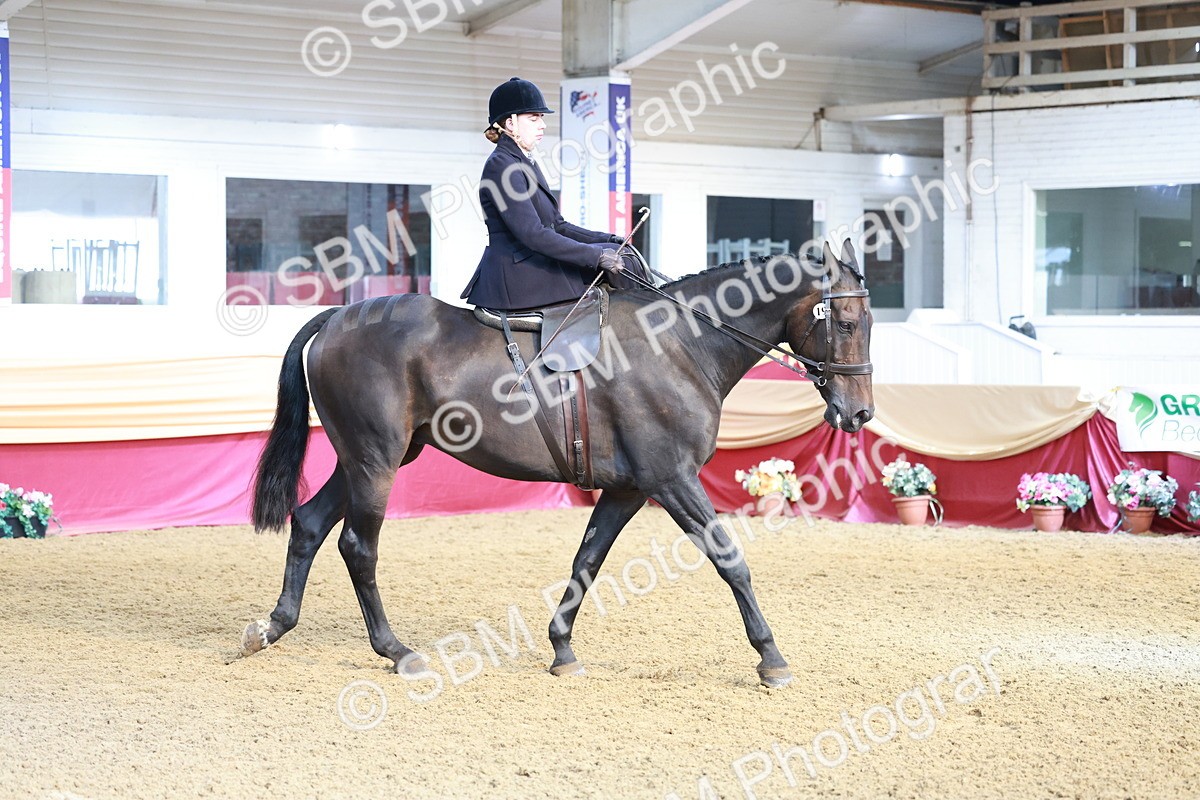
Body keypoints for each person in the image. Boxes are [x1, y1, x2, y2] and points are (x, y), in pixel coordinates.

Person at [460, 77, 628, 311]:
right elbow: (532, 234)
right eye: (534, 118)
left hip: (531, 262)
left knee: (626, 257)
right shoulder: (501, 165)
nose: (542, 125)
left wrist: (607, 240)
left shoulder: (524, 161)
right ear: (510, 124)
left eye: (541, 118)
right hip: (516, 273)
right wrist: (595, 255)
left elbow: (557, 225)